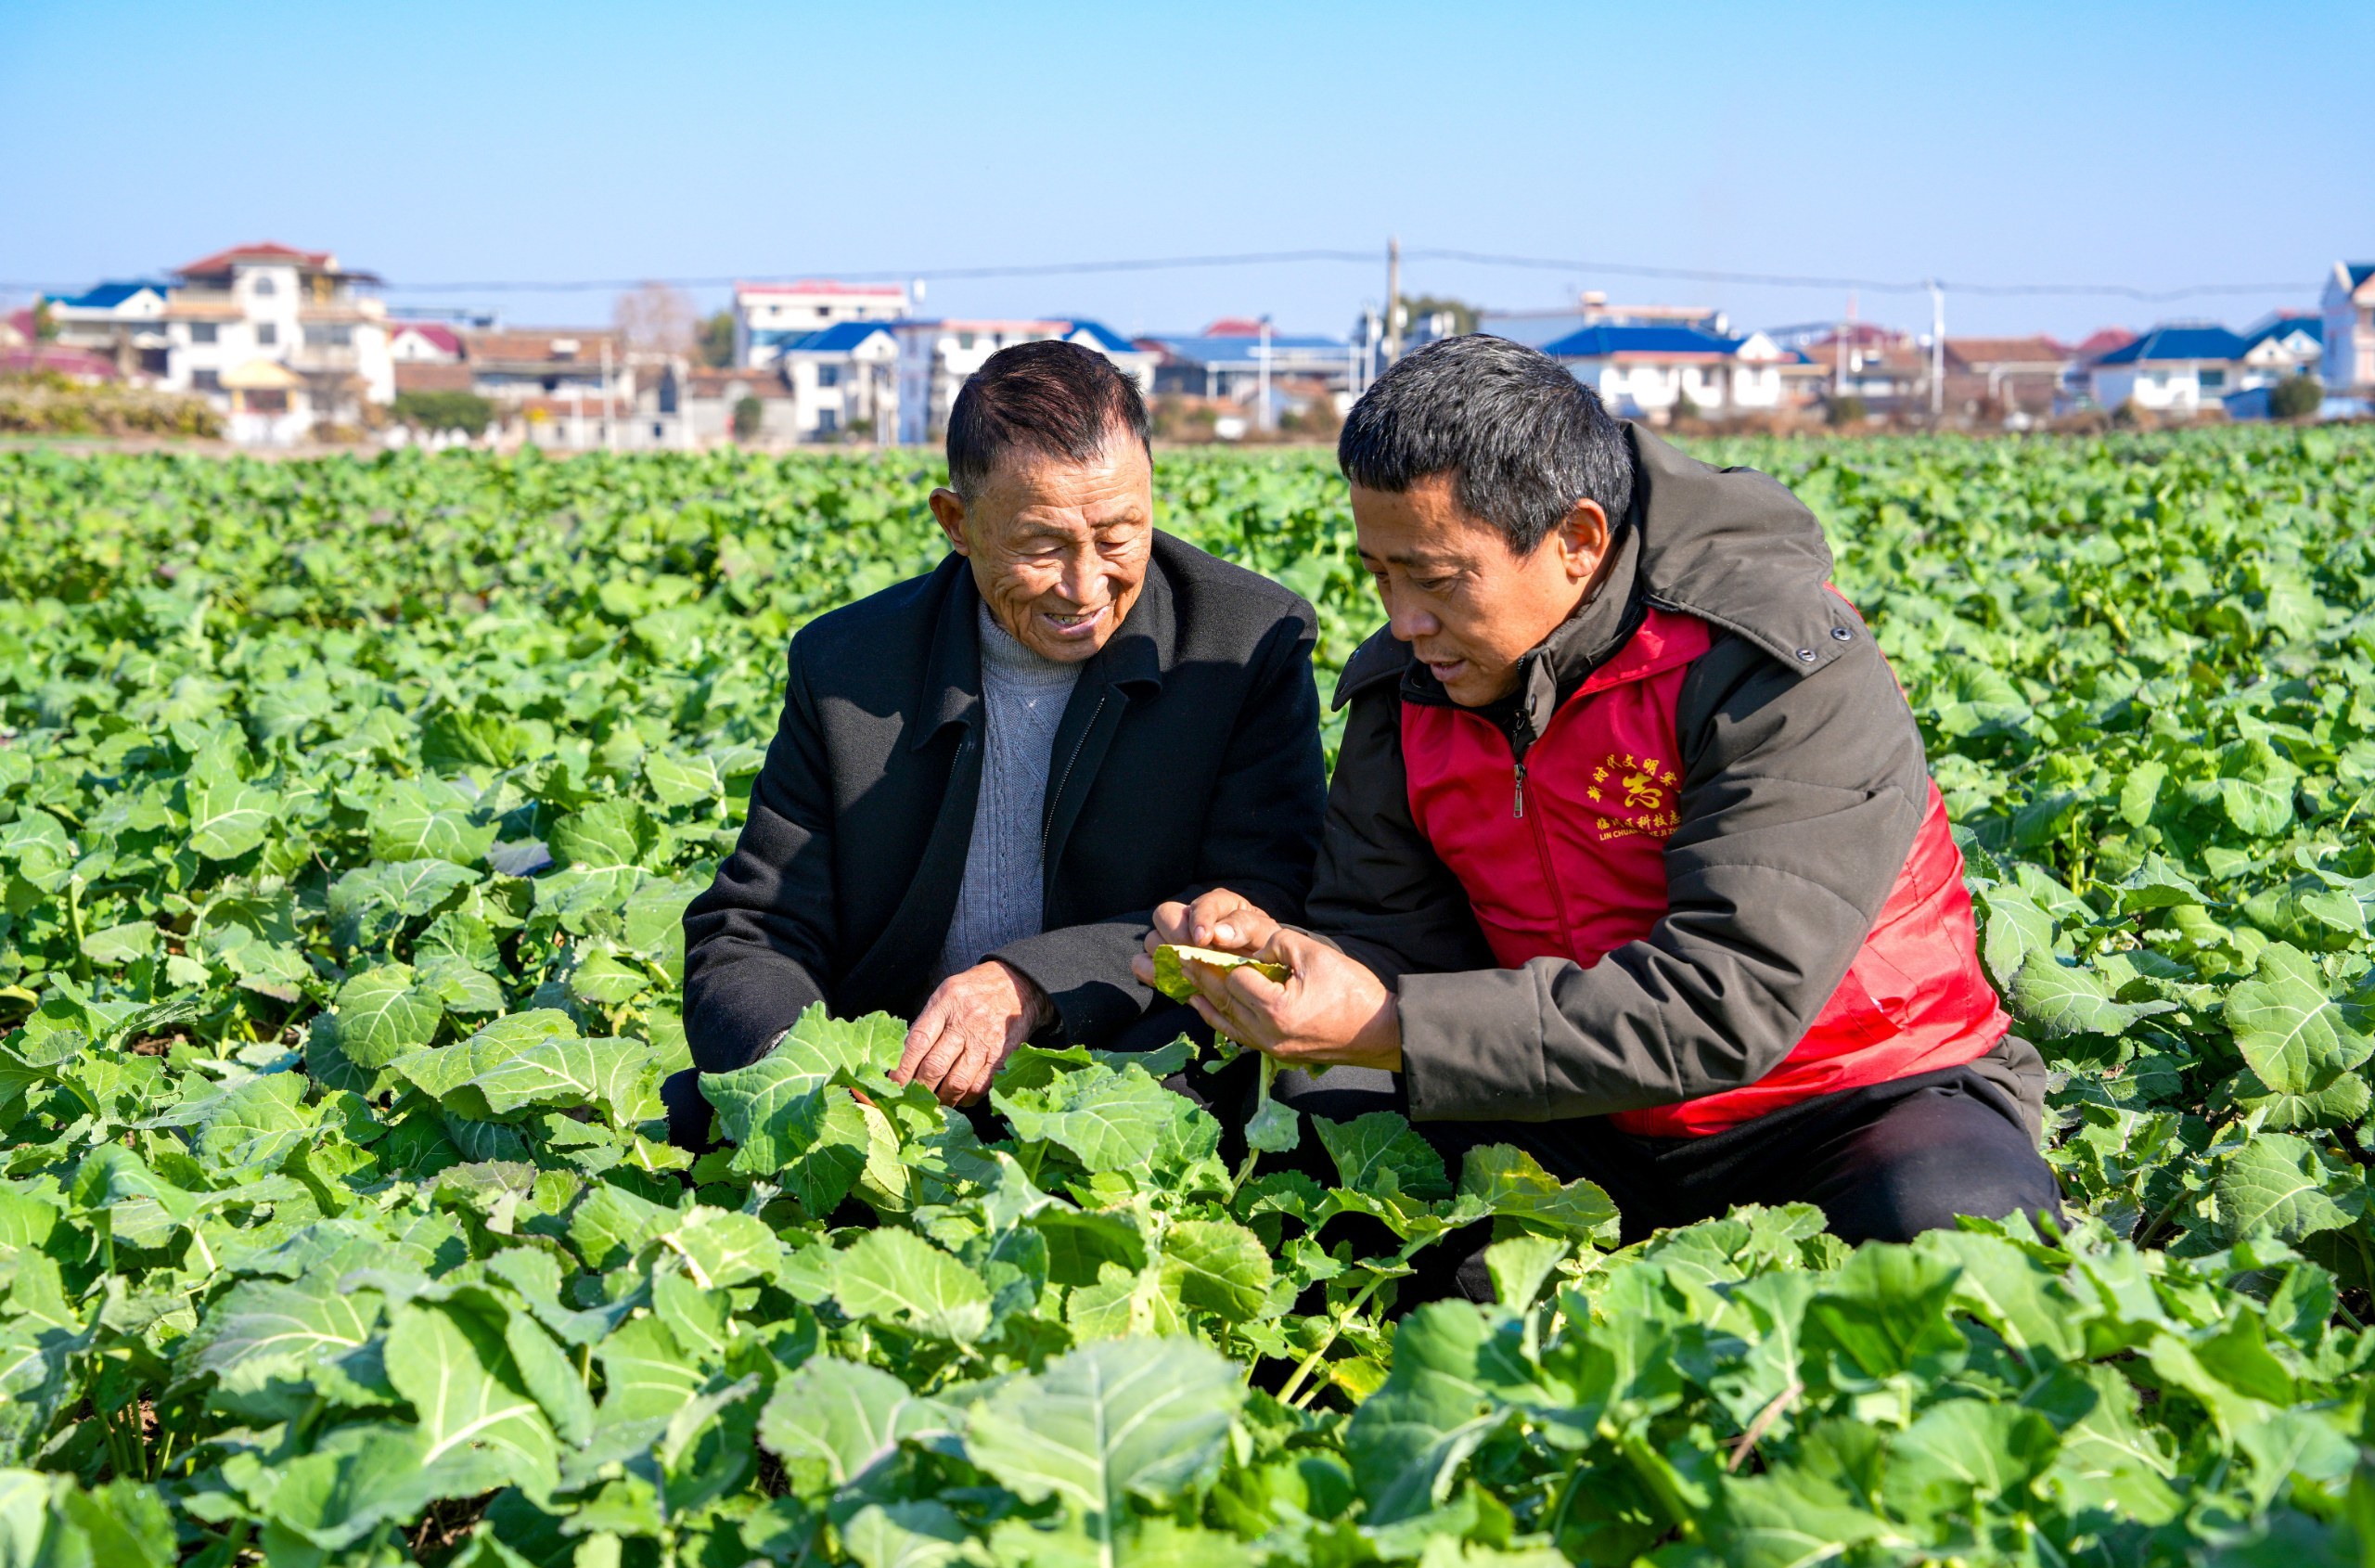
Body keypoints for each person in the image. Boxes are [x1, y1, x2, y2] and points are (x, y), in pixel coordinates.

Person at [1142, 334, 2060, 1266]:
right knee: (1317, 1157)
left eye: (1435, 577)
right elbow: (1388, 933)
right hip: (1567, 1111)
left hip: (1851, 1095)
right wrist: (1289, 954)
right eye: (1381, 574)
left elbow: (1725, 1000)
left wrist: (1388, 1025)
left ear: (1577, 541)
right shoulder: (1409, 683)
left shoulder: (1772, 659)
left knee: (1960, 1235)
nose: (1403, 619)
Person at [672, 340, 1326, 1150]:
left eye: (1121, 536)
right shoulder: (847, 666)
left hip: (1131, 1073)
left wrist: (1033, 982)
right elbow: (753, 930)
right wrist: (814, 1078)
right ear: (957, 523)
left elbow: (1266, 894)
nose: (1086, 588)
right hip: (895, 1088)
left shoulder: (1244, 641)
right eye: (1042, 547)